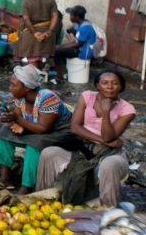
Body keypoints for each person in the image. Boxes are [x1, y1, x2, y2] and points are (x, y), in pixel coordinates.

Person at [37, 71, 136, 207]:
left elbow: (109, 136)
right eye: (104, 83)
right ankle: (42, 200)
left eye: (115, 83)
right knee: (48, 153)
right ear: (97, 86)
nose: (110, 86)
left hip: (110, 153)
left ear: (121, 87)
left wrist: (106, 112)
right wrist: (102, 140)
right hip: (82, 147)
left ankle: (108, 209)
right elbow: (75, 127)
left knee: (110, 164)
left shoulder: (127, 110)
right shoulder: (87, 96)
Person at [0, 65, 74, 193]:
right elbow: (18, 115)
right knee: (4, 135)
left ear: (26, 87)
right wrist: (12, 121)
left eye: (13, 85)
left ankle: (27, 186)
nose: (10, 88)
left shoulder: (47, 98)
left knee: (33, 145)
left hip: (59, 133)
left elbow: (43, 129)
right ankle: (5, 178)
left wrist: (19, 121)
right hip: (36, 131)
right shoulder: (20, 98)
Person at [14, 0, 59, 66]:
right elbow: (55, 16)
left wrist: (35, 33)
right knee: (40, 63)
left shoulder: (27, 1)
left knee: (33, 63)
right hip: (47, 36)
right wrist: (49, 31)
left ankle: (33, 79)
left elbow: (26, 19)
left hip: (31, 36)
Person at [54, 5, 96, 80]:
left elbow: (78, 44)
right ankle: (65, 72)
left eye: (71, 15)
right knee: (59, 50)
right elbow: (76, 42)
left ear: (76, 17)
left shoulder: (85, 27)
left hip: (83, 53)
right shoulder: (82, 24)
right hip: (80, 49)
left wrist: (60, 47)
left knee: (56, 52)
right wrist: (61, 46)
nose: (70, 17)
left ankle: (59, 76)